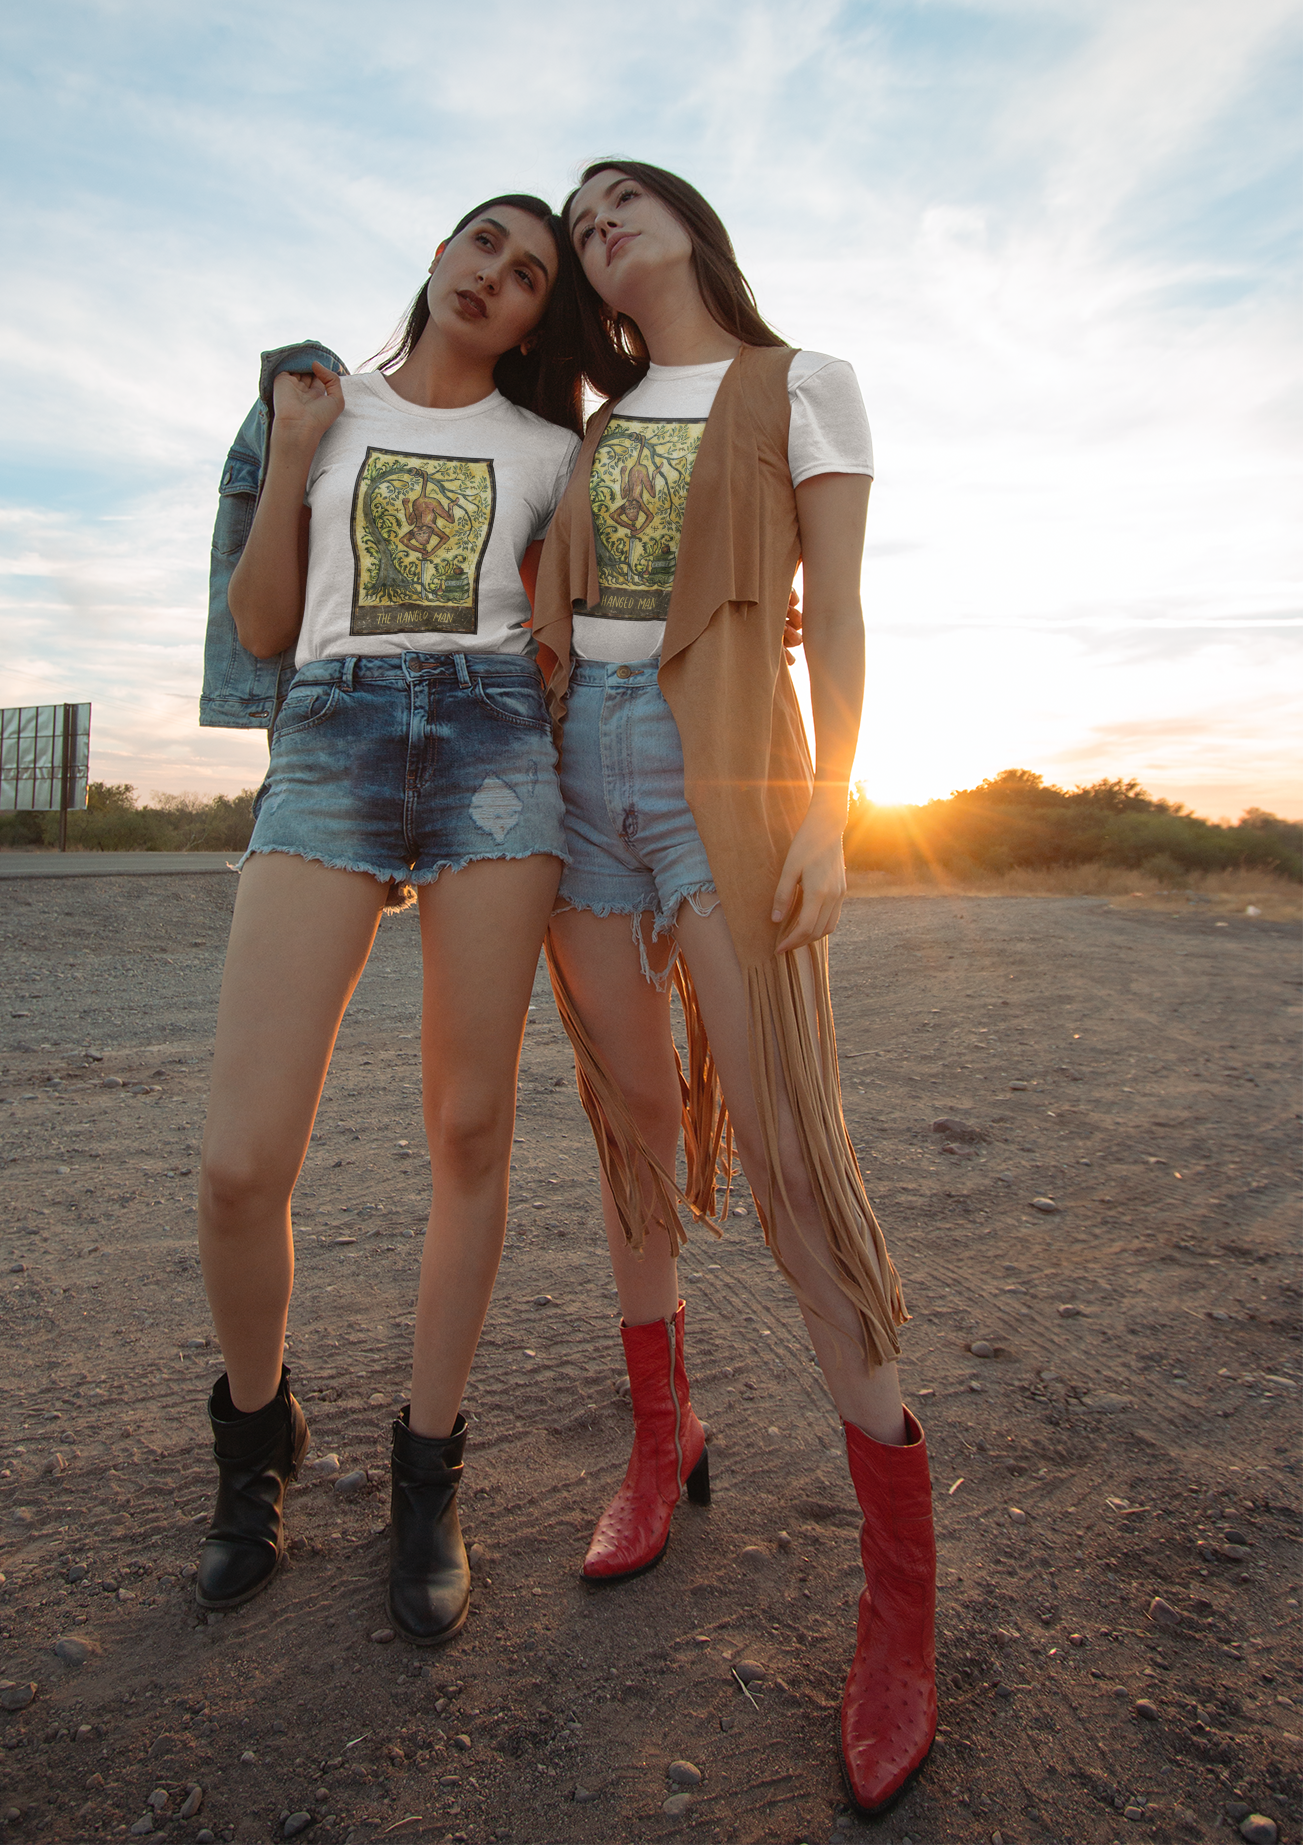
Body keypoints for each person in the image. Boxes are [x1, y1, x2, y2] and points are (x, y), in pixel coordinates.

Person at [531, 161, 937, 1814]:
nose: (595, 221)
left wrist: (834, 809)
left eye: (622, 196)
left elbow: (833, 606)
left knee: (784, 1155)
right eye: (577, 219)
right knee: (633, 1126)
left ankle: (900, 1603)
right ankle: (661, 1435)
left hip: (735, 764)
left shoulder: (799, 383)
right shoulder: (595, 420)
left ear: (692, 225)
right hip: (578, 766)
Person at [194, 193, 584, 1650]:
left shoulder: (556, 454)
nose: (500, 275)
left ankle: (429, 1474)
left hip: (493, 750)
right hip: (336, 740)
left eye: (531, 274)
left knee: (470, 1129)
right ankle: (255, 1440)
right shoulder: (317, 404)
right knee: (242, 1162)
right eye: (485, 243)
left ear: (544, 319)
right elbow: (261, 627)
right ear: (436, 255)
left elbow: (593, 619)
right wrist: (296, 454)